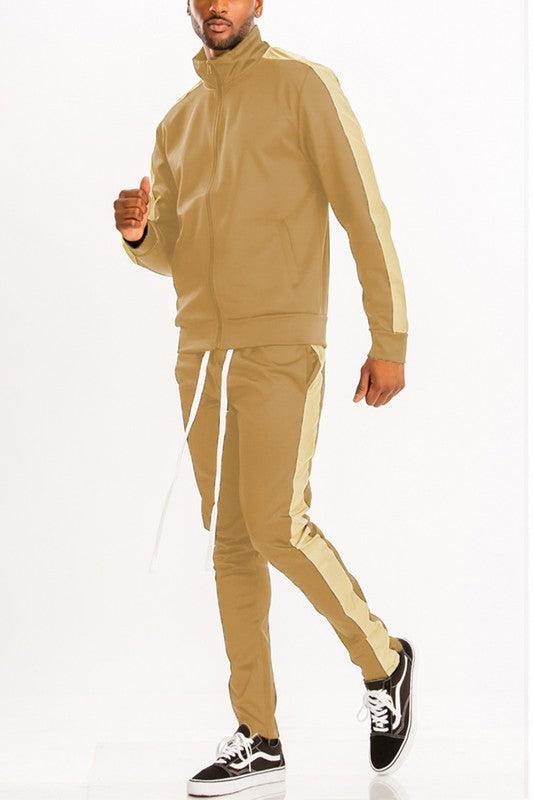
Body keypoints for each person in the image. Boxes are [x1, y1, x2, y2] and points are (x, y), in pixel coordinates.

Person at [113, 1, 415, 795]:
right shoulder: (177, 121)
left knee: (278, 525)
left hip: (280, 342)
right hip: (201, 354)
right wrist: (141, 236)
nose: (216, 5)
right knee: (231, 543)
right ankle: (258, 734)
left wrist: (388, 337)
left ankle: (382, 660)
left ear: (257, 2)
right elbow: (174, 253)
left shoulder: (303, 86)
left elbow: (362, 212)